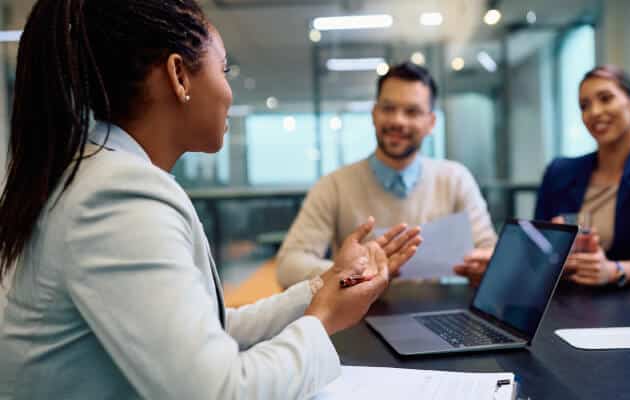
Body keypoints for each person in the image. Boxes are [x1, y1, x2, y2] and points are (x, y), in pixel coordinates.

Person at [0, 1, 420, 399]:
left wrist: (325, 285)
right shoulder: (116, 197)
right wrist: (325, 318)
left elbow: (213, 330)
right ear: (179, 76)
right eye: (225, 70)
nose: (229, 92)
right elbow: (219, 392)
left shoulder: (100, 176)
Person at [454, 65, 630, 287]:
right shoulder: (559, 171)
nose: (594, 112)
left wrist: (614, 271)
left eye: (605, 98)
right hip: (563, 300)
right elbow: (539, 249)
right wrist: (501, 260)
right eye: (584, 105)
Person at [276, 62, 497, 288]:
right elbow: (288, 267)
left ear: (431, 123)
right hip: (356, 317)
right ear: (374, 114)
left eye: (412, 111)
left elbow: (490, 251)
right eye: (388, 108)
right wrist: (354, 274)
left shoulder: (455, 179)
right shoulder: (334, 185)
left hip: (437, 313)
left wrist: (485, 267)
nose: (398, 120)